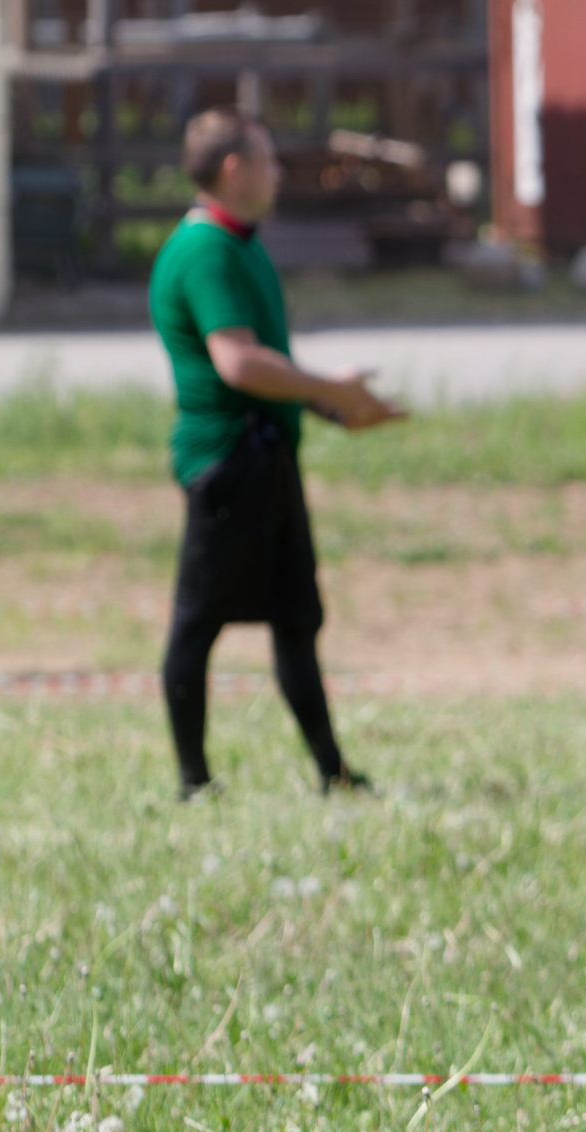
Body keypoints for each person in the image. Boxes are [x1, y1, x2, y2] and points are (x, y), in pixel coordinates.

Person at [149, 107, 403, 801]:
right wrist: (330, 387)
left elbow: (271, 367)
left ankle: (334, 774)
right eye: (267, 159)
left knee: (296, 617)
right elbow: (238, 365)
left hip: (267, 457)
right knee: (197, 623)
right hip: (228, 463)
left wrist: (337, 411)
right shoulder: (205, 251)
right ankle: (193, 783)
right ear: (233, 170)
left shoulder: (243, 243)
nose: (278, 172)